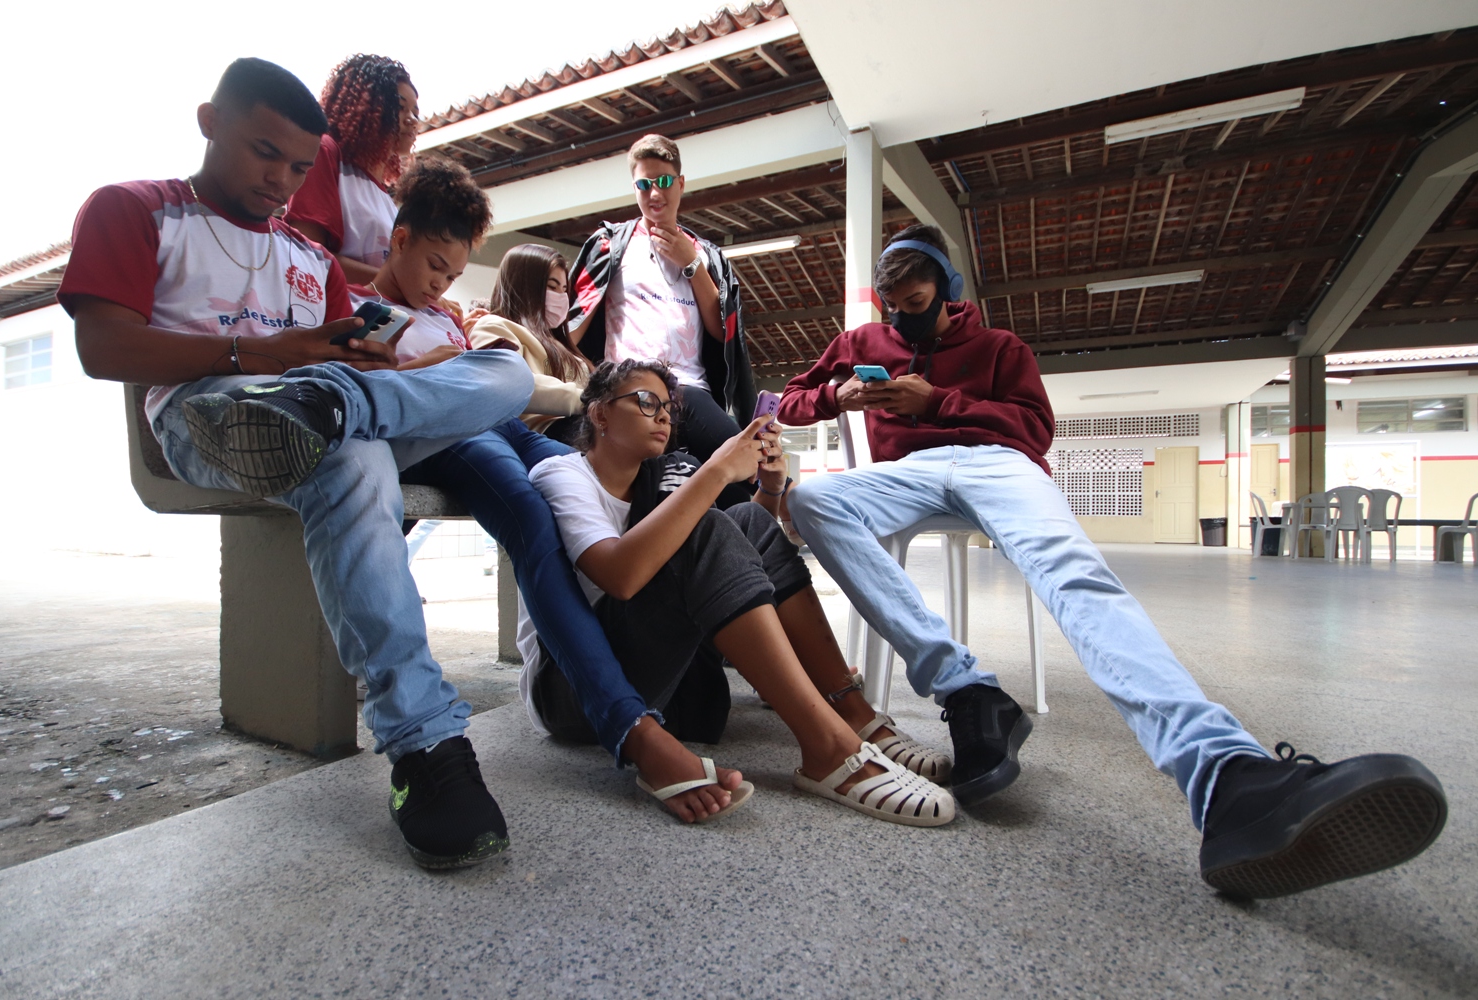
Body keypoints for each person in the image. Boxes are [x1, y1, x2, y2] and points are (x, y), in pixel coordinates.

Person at [778, 223, 1448, 897]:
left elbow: (1034, 430)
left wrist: (940, 402)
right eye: (889, 297)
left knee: (1071, 571)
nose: (900, 308)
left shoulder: (999, 347)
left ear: (946, 288)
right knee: (815, 500)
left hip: (997, 464)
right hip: (907, 472)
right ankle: (967, 689)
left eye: (913, 292)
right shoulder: (861, 344)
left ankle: (1224, 775)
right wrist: (841, 396)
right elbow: (788, 402)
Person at [58, 57, 537, 871]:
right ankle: (427, 749)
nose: (280, 182)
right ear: (210, 121)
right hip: (201, 411)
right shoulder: (136, 209)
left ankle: (329, 409)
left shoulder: (311, 262)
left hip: (328, 403)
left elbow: (349, 354)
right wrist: (258, 353)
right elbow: (101, 347)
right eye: (262, 152)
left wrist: (375, 376)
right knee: (353, 463)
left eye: (298, 168)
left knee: (507, 372)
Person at [354, 161, 749, 824]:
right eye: (433, 267)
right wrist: (450, 367)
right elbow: (382, 394)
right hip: (454, 431)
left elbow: (505, 383)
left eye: (452, 273)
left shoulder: (447, 316)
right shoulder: (365, 315)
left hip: (501, 421)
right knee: (536, 519)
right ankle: (630, 725)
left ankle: (698, 626)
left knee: (631, 471)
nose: (441, 284)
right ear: (397, 241)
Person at [527, 359, 957, 826]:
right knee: (705, 523)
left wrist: (769, 492)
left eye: (669, 408)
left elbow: (729, 558)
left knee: (749, 518)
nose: (664, 417)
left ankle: (850, 711)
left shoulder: (661, 475)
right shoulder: (563, 474)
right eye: (646, 402)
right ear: (599, 414)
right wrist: (715, 471)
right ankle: (828, 749)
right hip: (576, 692)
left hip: (659, 678)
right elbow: (620, 575)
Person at [566, 134, 758, 504]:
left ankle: (787, 510)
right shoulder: (610, 245)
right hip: (629, 389)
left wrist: (691, 264)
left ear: (681, 183)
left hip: (689, 388)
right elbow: (573, 324)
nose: (655, 193)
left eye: (665, 181)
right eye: (644, 184)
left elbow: (724, 333)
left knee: (741, 473)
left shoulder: (708, 256)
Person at [285, 54, 420, 286]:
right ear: (366, 107)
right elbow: (307, 255)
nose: (412, 120)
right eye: (399, 108)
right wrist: (404, 286)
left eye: (415, 112)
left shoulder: (382, 192)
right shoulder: (325, 153)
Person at [467, 243, 591, 442]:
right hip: (535, 435)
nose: (560, 297)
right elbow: (512, 384)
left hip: (578, 426)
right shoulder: (494, 327)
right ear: (524, 286)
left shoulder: (566, 349)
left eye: (564, 289)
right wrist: (587, 400)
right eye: (551, 287)